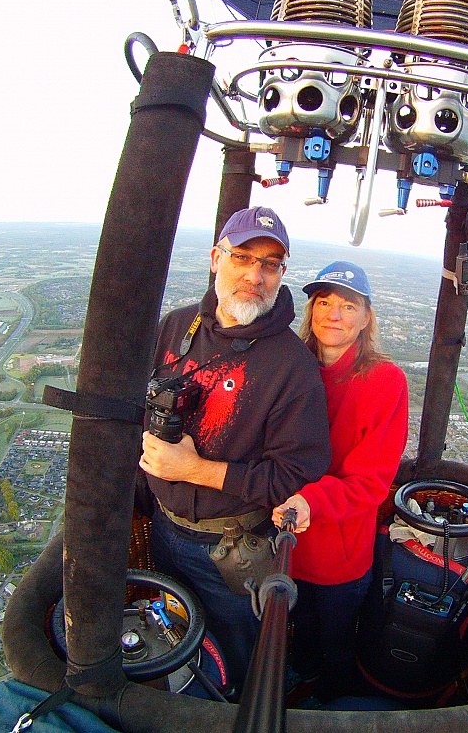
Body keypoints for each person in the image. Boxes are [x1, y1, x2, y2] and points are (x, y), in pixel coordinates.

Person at [137, 206, 331, 694]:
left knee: (237, 656)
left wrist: (196, 470)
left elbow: (297, 473)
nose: (254, 275)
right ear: (215, 259)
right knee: (170, 637)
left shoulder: (292, 366)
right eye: (242, 257)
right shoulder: (176, 327)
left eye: (270, 264)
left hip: (231, 553)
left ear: (281, 274)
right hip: (163, 528)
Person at [271, 260, 409, 703]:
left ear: (366, 318)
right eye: (324, 302)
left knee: (336, 643)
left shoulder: (384, 382)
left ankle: (333, 704)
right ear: (311, 311)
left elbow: (371, 482)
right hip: (283, 545)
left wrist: (311, 501)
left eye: (348, 306)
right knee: (299, 633)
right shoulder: (289, 368)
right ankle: (302, 686)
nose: (333, 314)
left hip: (338, 555)